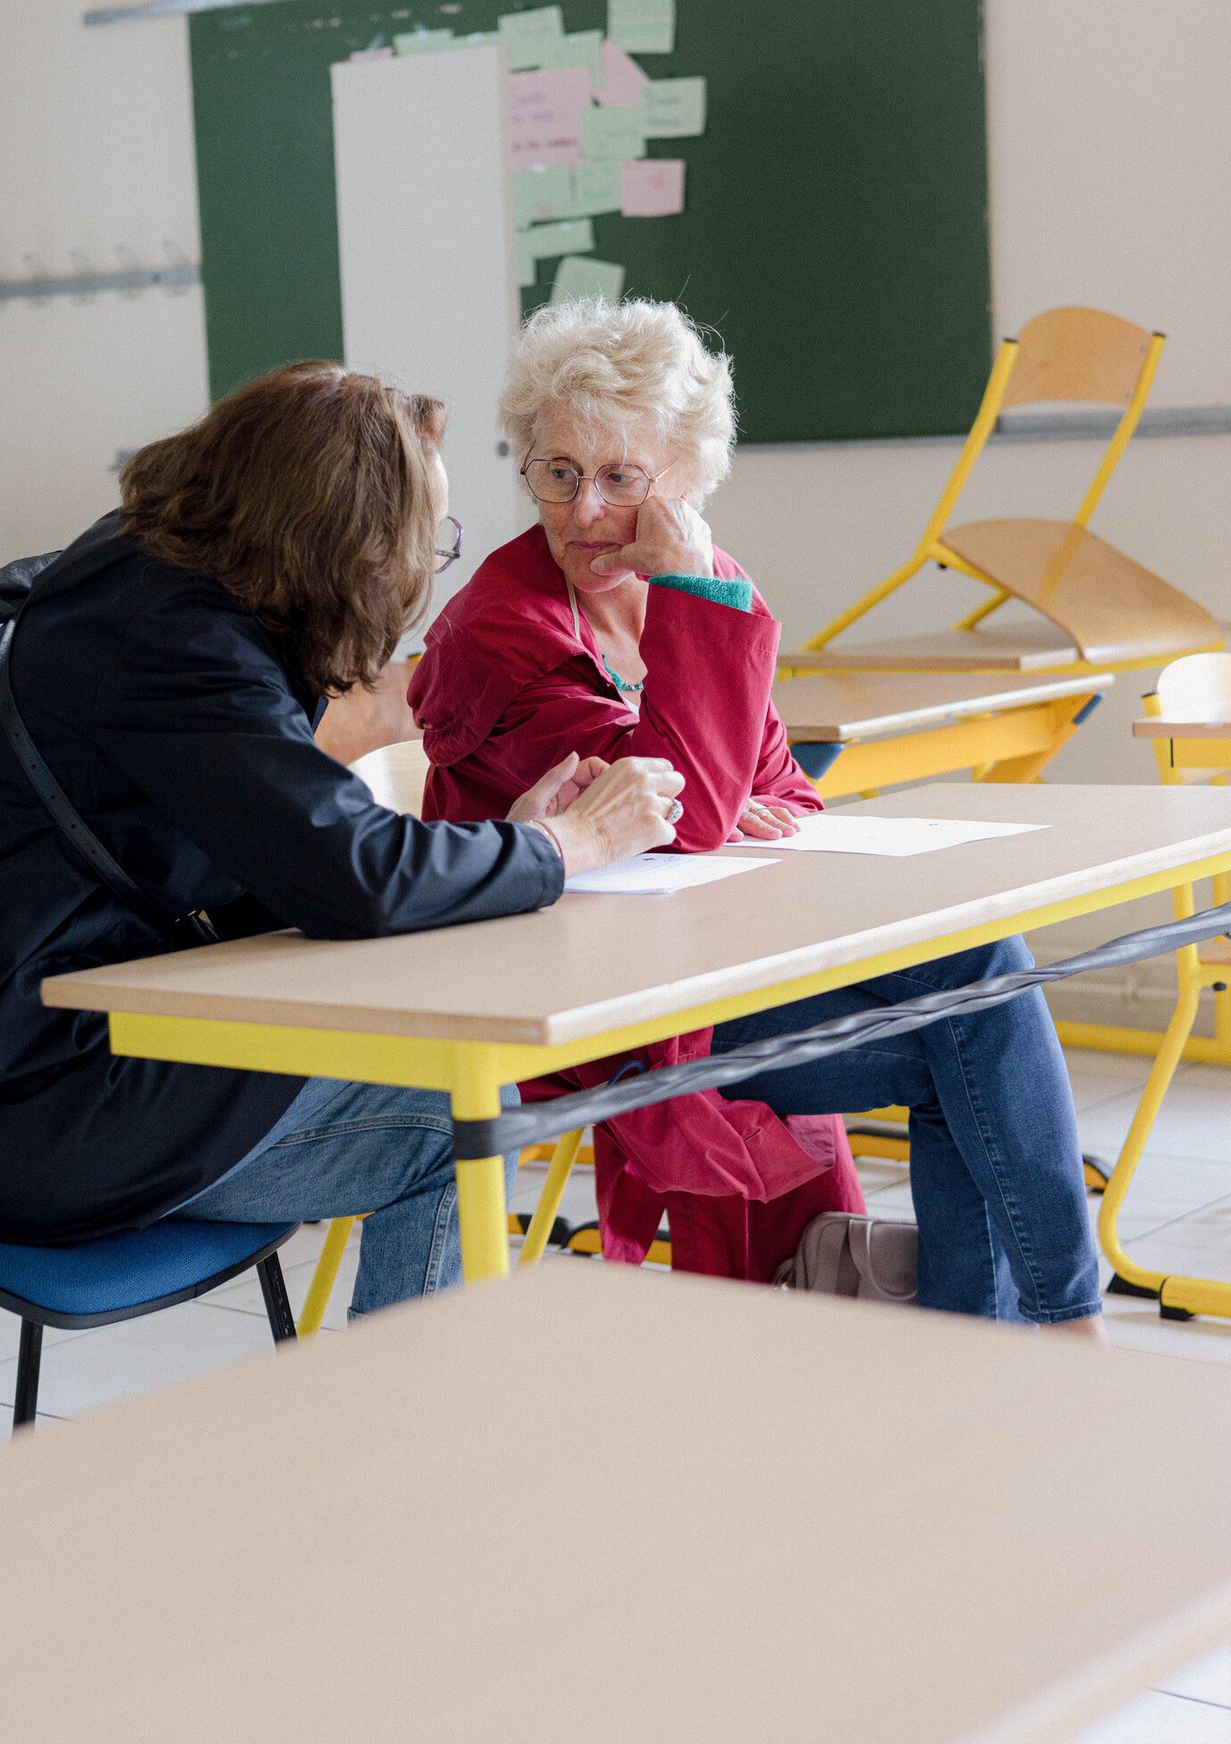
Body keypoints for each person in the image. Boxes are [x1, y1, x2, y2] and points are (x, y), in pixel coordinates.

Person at [0, 361, 681, 1317]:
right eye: (421, 540)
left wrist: (507, 845)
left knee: (447, 1083)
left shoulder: (161, 588)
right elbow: (351, 874)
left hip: (12, 1058)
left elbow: (303, 857)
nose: (420, 570)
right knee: (460, 1120)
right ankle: (423, 1446)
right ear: (339, 536)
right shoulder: (171, 642)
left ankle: (420, 1428)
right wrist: (566, 847)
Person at [410, 300, 1104, 1331]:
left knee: (978, 982)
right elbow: (682, 818)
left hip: (712, 959)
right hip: (595, 1007)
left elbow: (779, 791)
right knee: (980, 1009)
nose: (586, 511)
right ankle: (1050, 1330)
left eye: (621, 478)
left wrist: (709, 786)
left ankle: (1004, 1337)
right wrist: (704, 790)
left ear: (685, 481)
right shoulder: (500, 630)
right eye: (557, 473)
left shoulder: (690, 581)